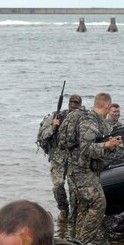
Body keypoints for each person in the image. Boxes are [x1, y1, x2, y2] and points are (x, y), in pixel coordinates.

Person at [66, 93, 122, 244]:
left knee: (84, 207)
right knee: (99, 202)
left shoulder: (96, 120)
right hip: (80, 170)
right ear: (107, 106)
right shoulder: (90, 121)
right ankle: (83, 243)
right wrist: (106, 145)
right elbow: (86, 149)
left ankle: (77, 243)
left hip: (86, 169)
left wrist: (109, 144)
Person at [37, 93, 82, 221]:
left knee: (74, 189)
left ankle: (74, 216)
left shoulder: (84, 118)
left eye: (76, 107)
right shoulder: (56, 116)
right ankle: (63, 210)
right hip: (58, 158)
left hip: (75, 158)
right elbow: (41, 136)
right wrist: (53, 127)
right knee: (58, 185)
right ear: (68, 105)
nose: (73, 109)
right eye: (71, 106)